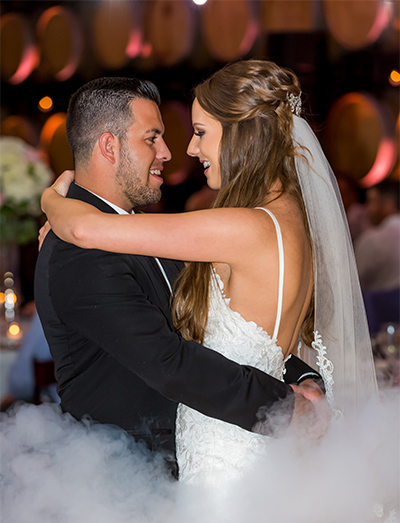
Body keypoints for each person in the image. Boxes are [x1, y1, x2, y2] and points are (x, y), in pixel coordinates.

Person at [35, 74, 327, 481]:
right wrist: (284, 404)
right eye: (152, 138)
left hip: (200, 459)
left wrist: (300, 375)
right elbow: (168, 361)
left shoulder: (146, 234)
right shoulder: (76, 252)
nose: (170, 153)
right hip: (126, 481)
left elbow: (213, 331)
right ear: (109, 146)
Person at [355, 179, 400, 293]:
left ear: (389, 205)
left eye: (371, 201)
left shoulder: (373, 239)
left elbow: (353, 280)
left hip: (378, 309)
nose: (367, 209)